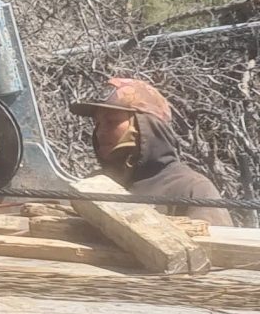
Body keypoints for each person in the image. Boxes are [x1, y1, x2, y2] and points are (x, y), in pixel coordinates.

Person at [70, 74, 223, 212]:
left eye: (111, 122)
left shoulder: (192, 189)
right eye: (97, 123)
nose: (100, 132)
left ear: (147, 126)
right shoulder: (94, 185)